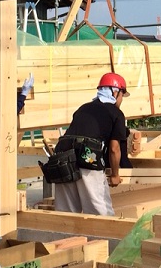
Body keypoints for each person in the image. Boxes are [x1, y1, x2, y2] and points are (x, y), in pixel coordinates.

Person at [53, 72, 129, 216]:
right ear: (115, 92)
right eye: (122, 96)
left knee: (65, 214)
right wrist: (115, 175)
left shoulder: (83, 108)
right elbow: (114, 149)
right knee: (100, 213)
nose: (121, 100)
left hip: (62, 158)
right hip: (87, 158)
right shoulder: (116, 113)